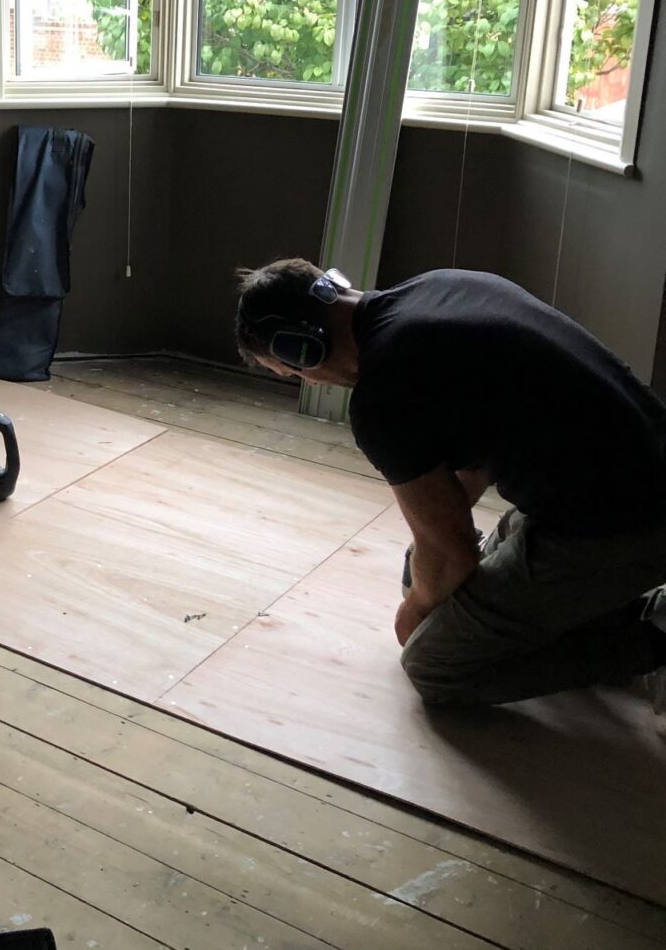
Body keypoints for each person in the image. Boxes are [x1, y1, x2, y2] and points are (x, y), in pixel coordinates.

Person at [234, 259, 666, 710]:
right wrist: (437, 550)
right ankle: (605, 608)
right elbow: (476, 453)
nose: (312, 381)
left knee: (433, 663)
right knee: (466, 570)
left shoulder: (384, 393)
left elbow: (451, 552)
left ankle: (654, 636)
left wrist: (414, 615)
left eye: (296, 371)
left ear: (302, 349)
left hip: (626, 525)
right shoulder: (441, 286)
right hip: (629, 475)